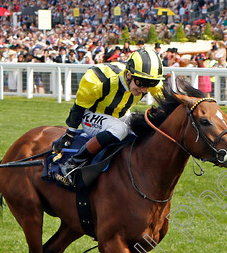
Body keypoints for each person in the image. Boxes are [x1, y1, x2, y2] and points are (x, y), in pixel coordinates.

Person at [51, 47, 164, 186]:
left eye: (151, 84)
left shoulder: (145, 78)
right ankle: (72, 164)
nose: (145, 90)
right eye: (141, 83)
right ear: (128, 75)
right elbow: (79, 106)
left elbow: (168, 101)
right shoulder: (99, 81)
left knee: (145, 125)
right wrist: (70, 132)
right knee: (120, 129)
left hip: (120, 115)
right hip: (91, 115)